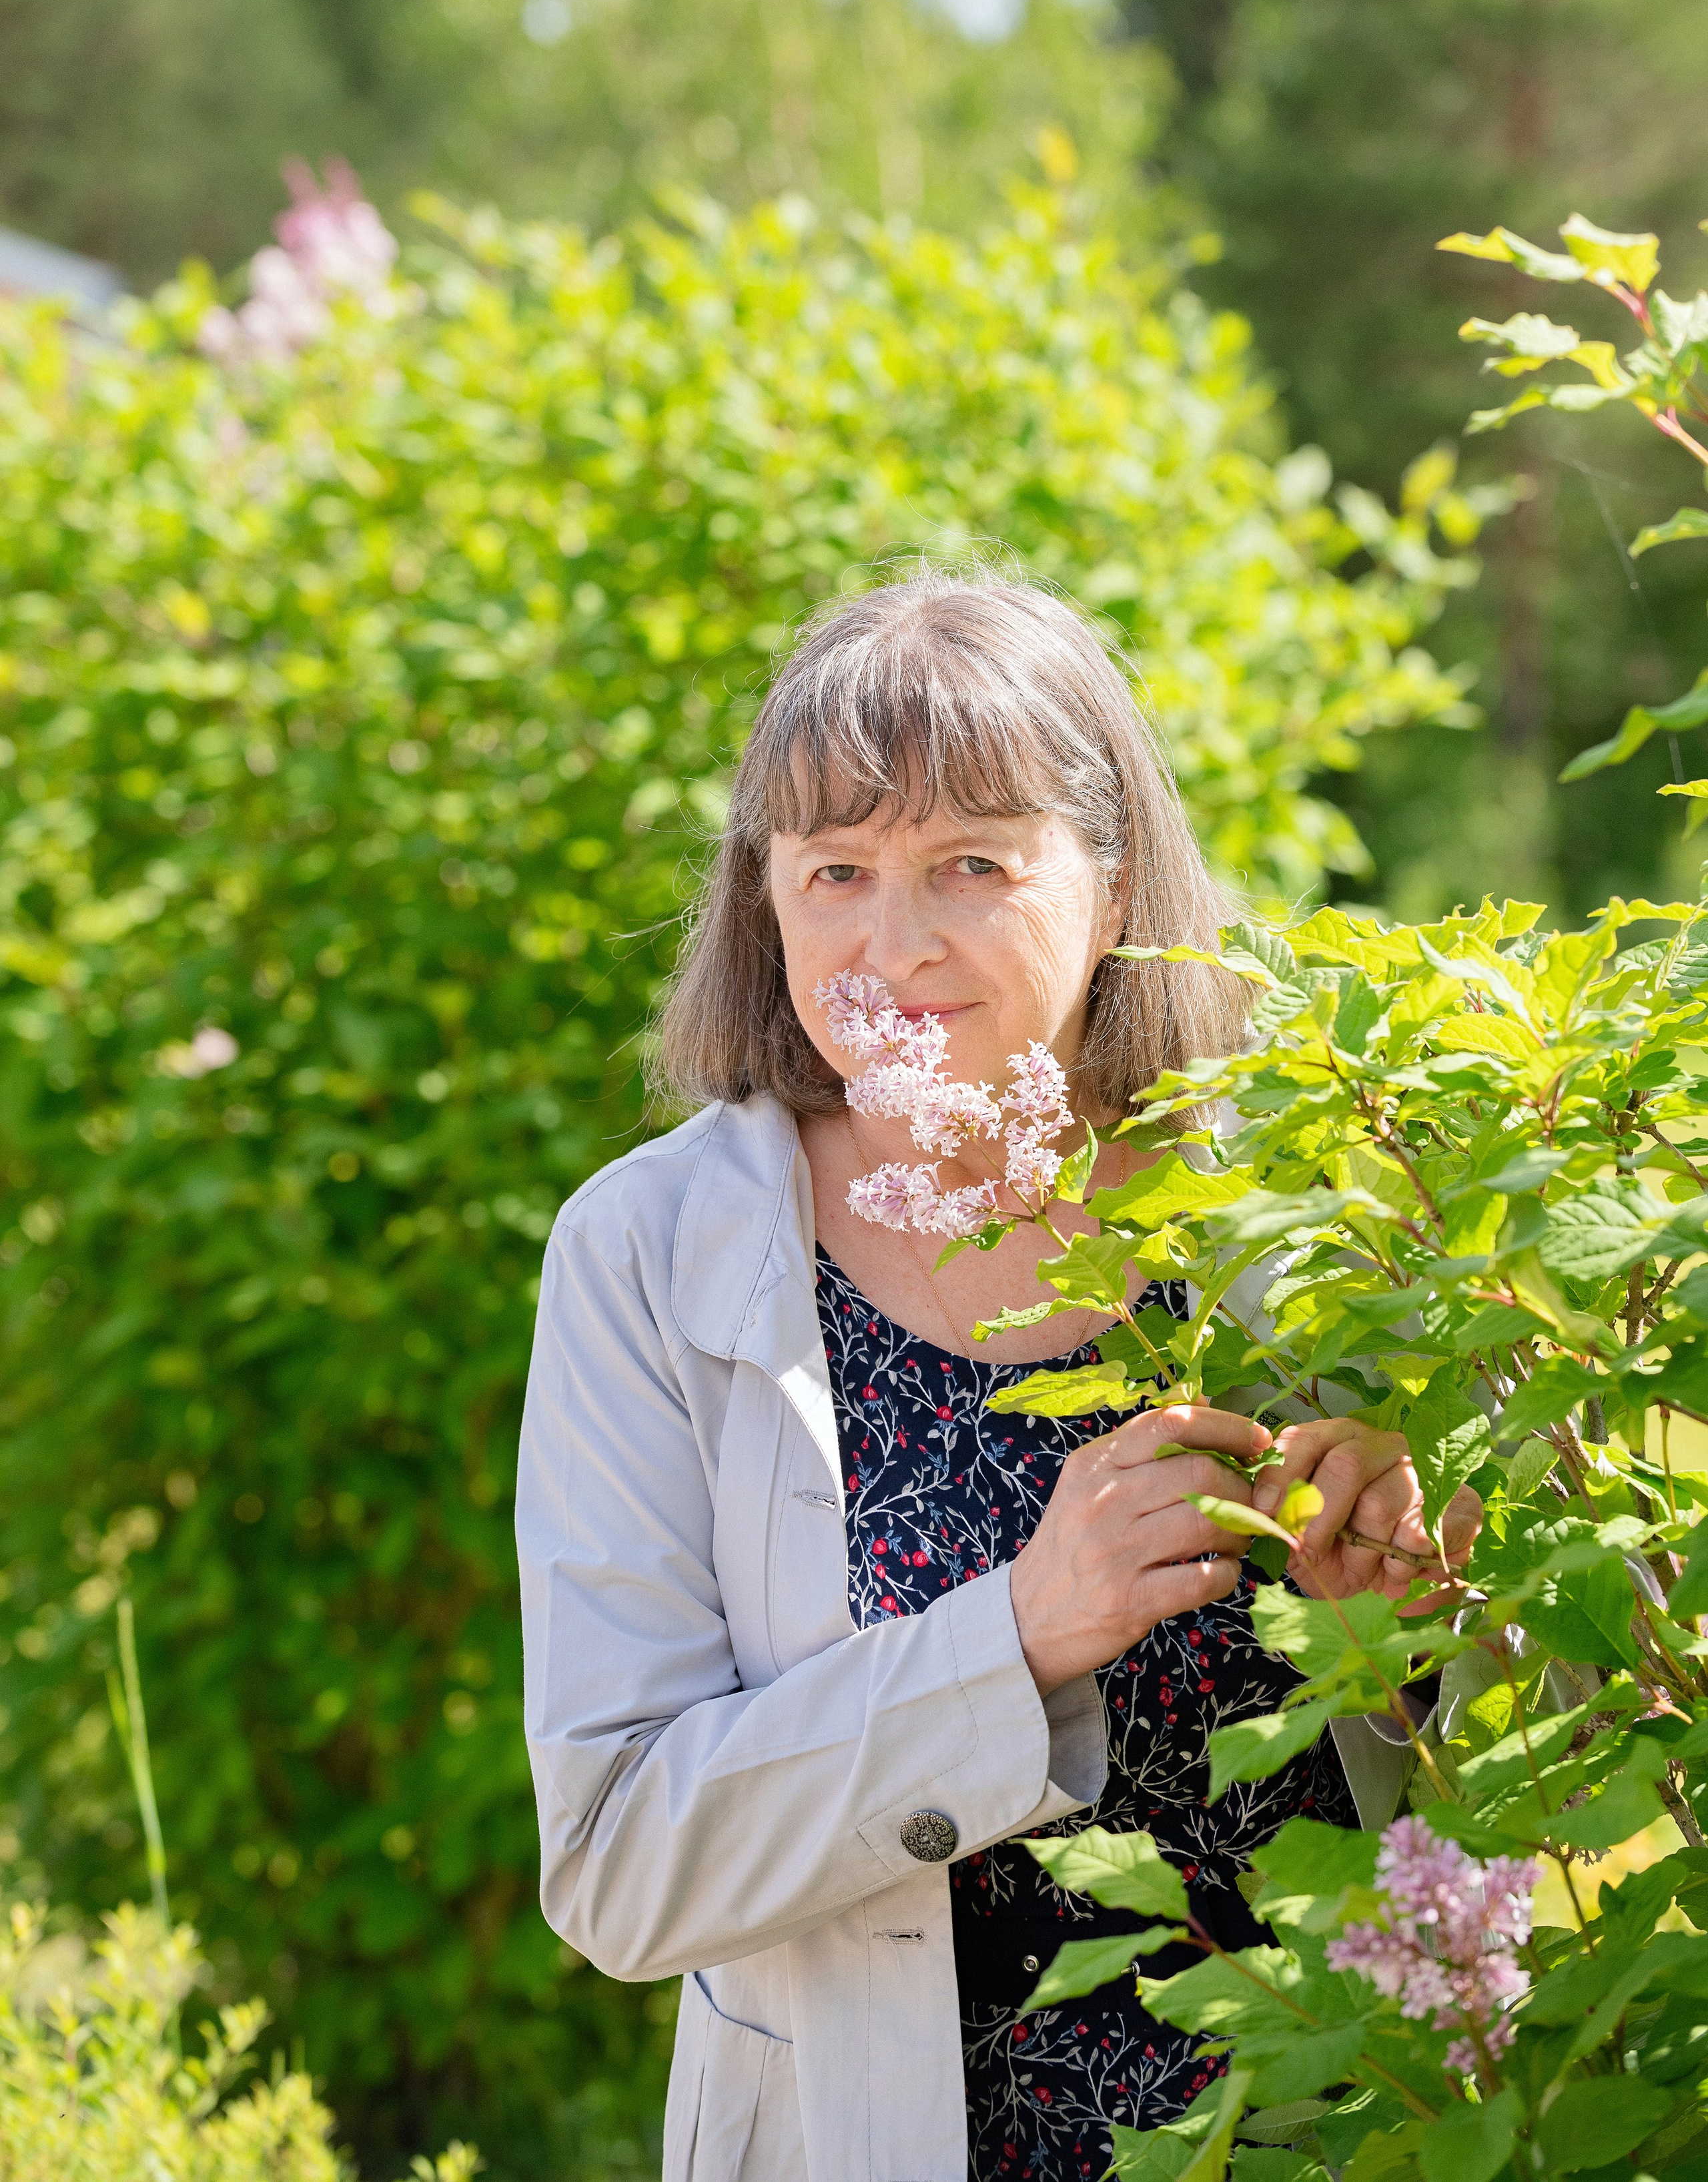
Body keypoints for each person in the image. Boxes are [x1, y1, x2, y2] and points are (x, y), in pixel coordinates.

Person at [517, 573, 1478, 2182]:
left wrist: (1427, 1616)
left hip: (1350, 2126)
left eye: (972, 862)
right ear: (764, 898)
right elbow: (618, 1865)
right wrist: (1015, 1637)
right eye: (836, 870)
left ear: (1108, 888)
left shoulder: (1303, 1203)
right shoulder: (649, 1255)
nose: (892, 944)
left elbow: (1556, 1728)